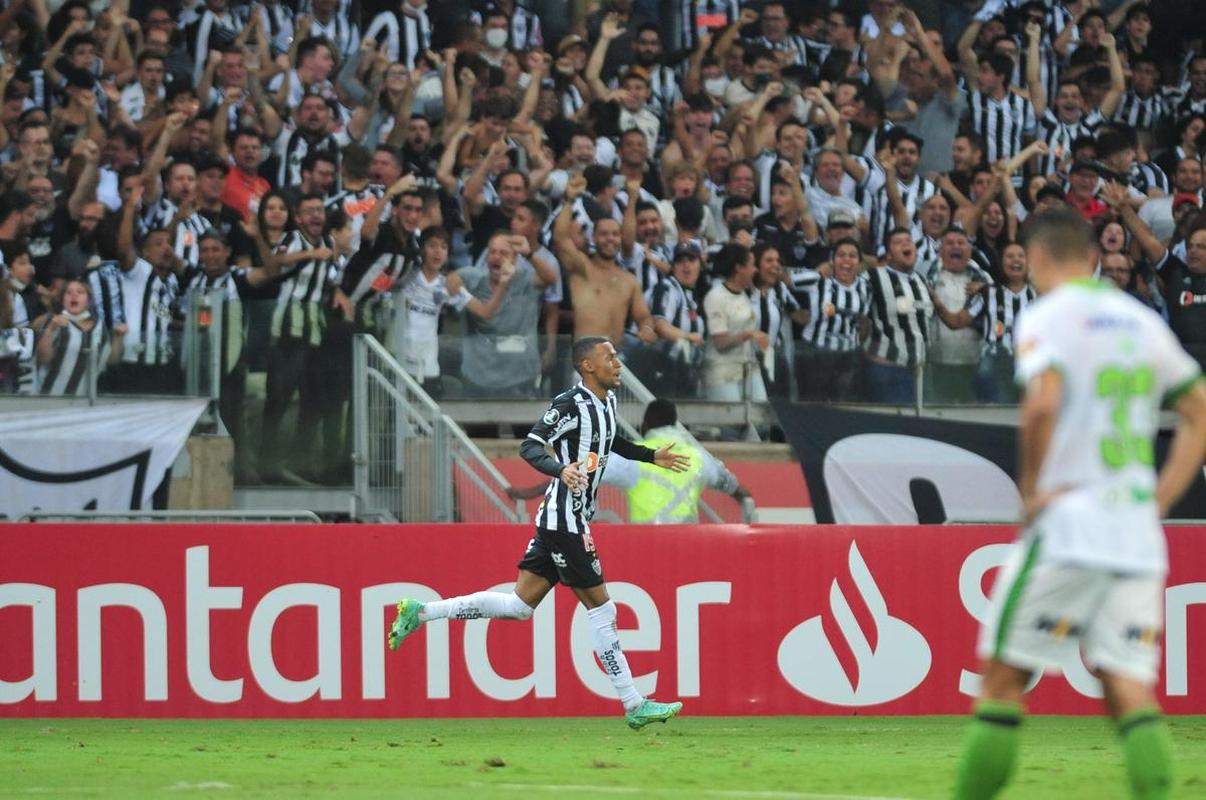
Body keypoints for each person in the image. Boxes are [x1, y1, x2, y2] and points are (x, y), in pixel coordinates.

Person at [953, 206, 1206, 799]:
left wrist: (1032, 489)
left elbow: (1042, 403)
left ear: (1037, 257)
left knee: (1003, 679)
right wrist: (1161, 498)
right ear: (1093, 256)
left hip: (1070, 526)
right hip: (1136, 533)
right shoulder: (1139, 321)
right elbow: (1197, 411)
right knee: (1126, 687)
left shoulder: (1048, 315)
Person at [387, 336, 690, 730]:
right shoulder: (569, 404)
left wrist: (651, 456)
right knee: (603, 608)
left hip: (563, 520)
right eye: (609, 357)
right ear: (587, 366)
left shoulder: (608, 402)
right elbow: (530, 446)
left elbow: (608, 440)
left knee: (518, 607)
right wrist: (560, 469)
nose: (618, 363)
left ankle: (421, 611)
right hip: (565, 522)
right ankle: (633, 703)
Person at [605, 399, 751, 523]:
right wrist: (740, 494)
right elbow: (725, 481)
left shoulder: (633, 456)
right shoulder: (697, 456)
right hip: (686, 545)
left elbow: (594, 471)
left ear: (645, 425)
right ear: (675, 423)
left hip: (646, 544)